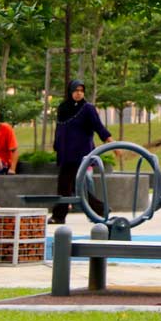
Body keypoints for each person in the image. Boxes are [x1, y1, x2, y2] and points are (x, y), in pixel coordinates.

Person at [49, 79, 112, 224]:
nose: (78, 93)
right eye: (76, 90)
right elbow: (60, 129)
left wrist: (111, 143)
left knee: (66, 185)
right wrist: (56, 145)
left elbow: (98, 126)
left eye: (81, 91)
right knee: (69, 186)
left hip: (81, 154)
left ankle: (59, 215)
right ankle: (101, 210)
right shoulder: (63, 108)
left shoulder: (87, 108)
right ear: (70, 92)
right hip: (66, 153)